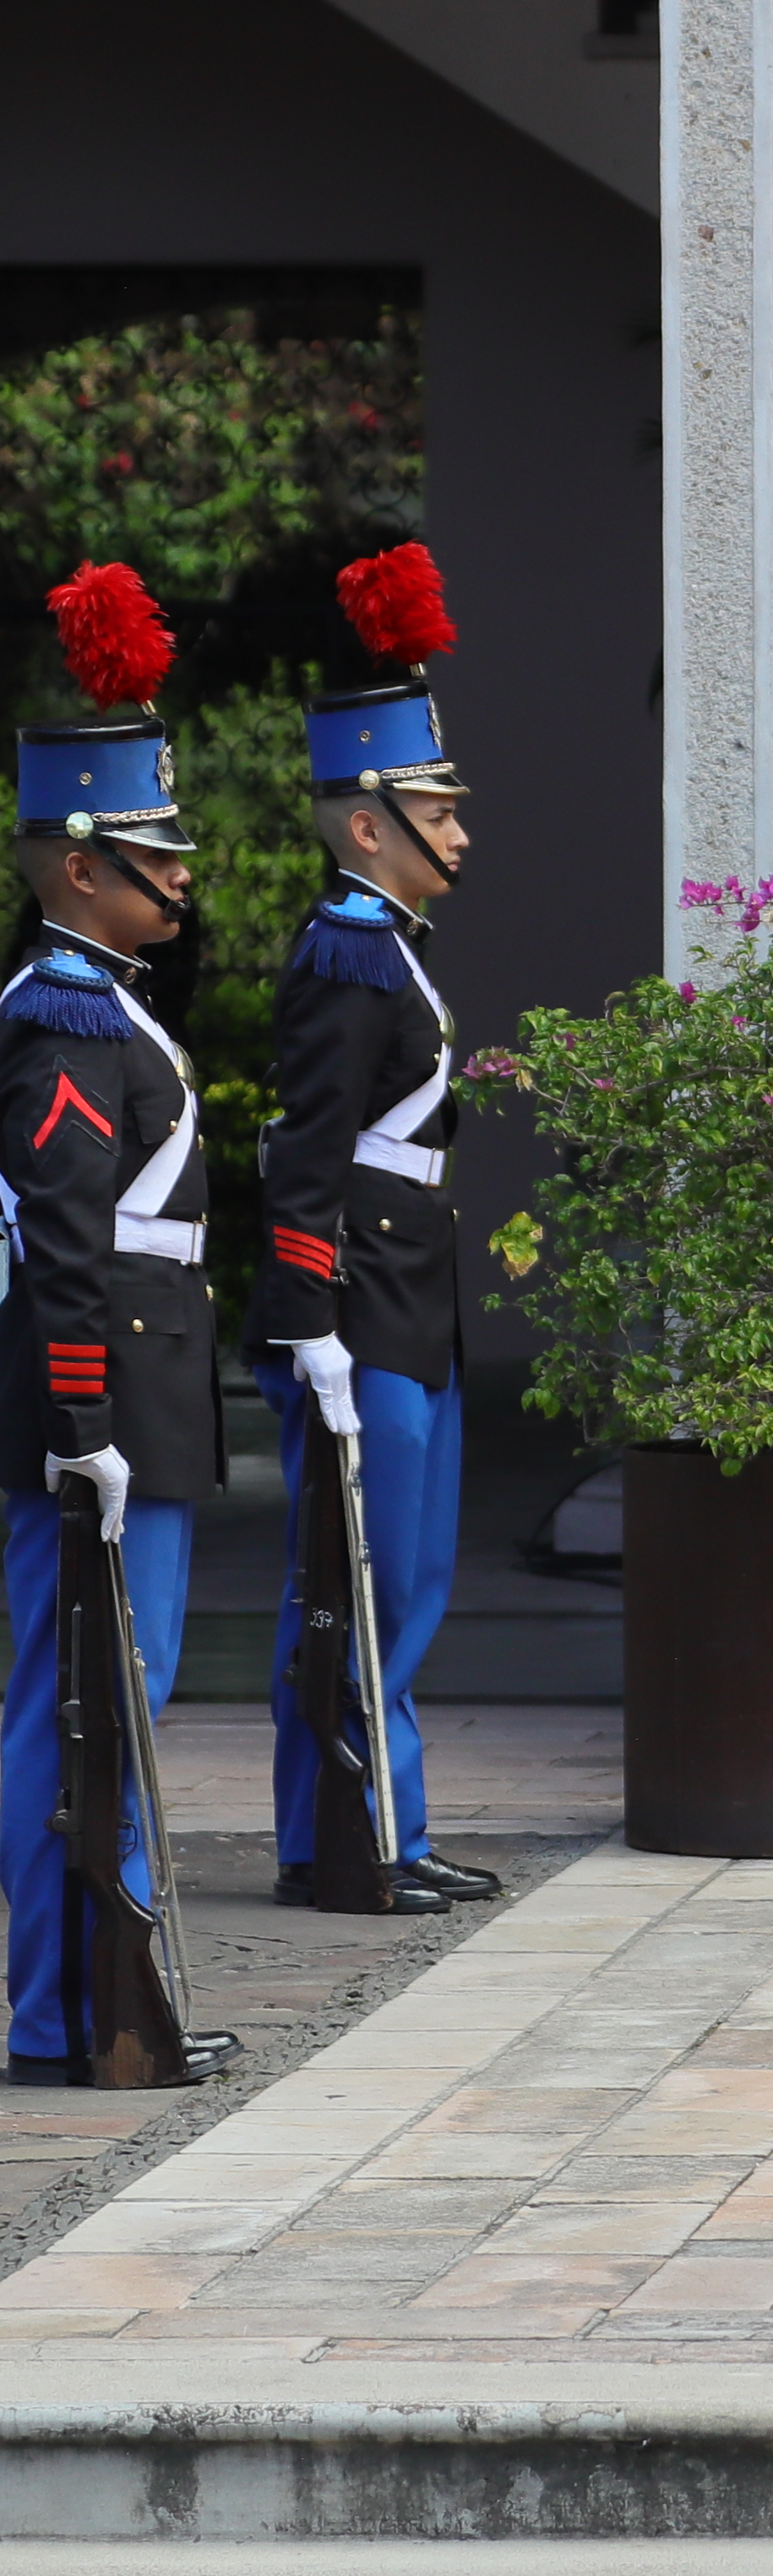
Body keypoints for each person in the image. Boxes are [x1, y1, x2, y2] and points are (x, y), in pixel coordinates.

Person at [2, 577, 237, 2088]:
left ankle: (99, 1997)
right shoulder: (68, 1016)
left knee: (116, 1700)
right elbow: (65, 1240)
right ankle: (61, 2010)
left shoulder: (105, 1003)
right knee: (71, 1703)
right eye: (158, 853)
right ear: (83, 868)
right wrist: (82, 1426)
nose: (183, 875)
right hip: (101, 1415)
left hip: (133, 1402)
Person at [259, 548, 493, 1919]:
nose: (459, 834)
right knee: (355, 1580)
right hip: (363, 1303)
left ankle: (381, 1821)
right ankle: (348, 1837)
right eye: (437, 811)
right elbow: (308, 1151)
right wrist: (310, 1324)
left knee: (402, 1578)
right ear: (368, 824)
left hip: (411, 1294)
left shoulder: (391, 945)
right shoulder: (350, 952)